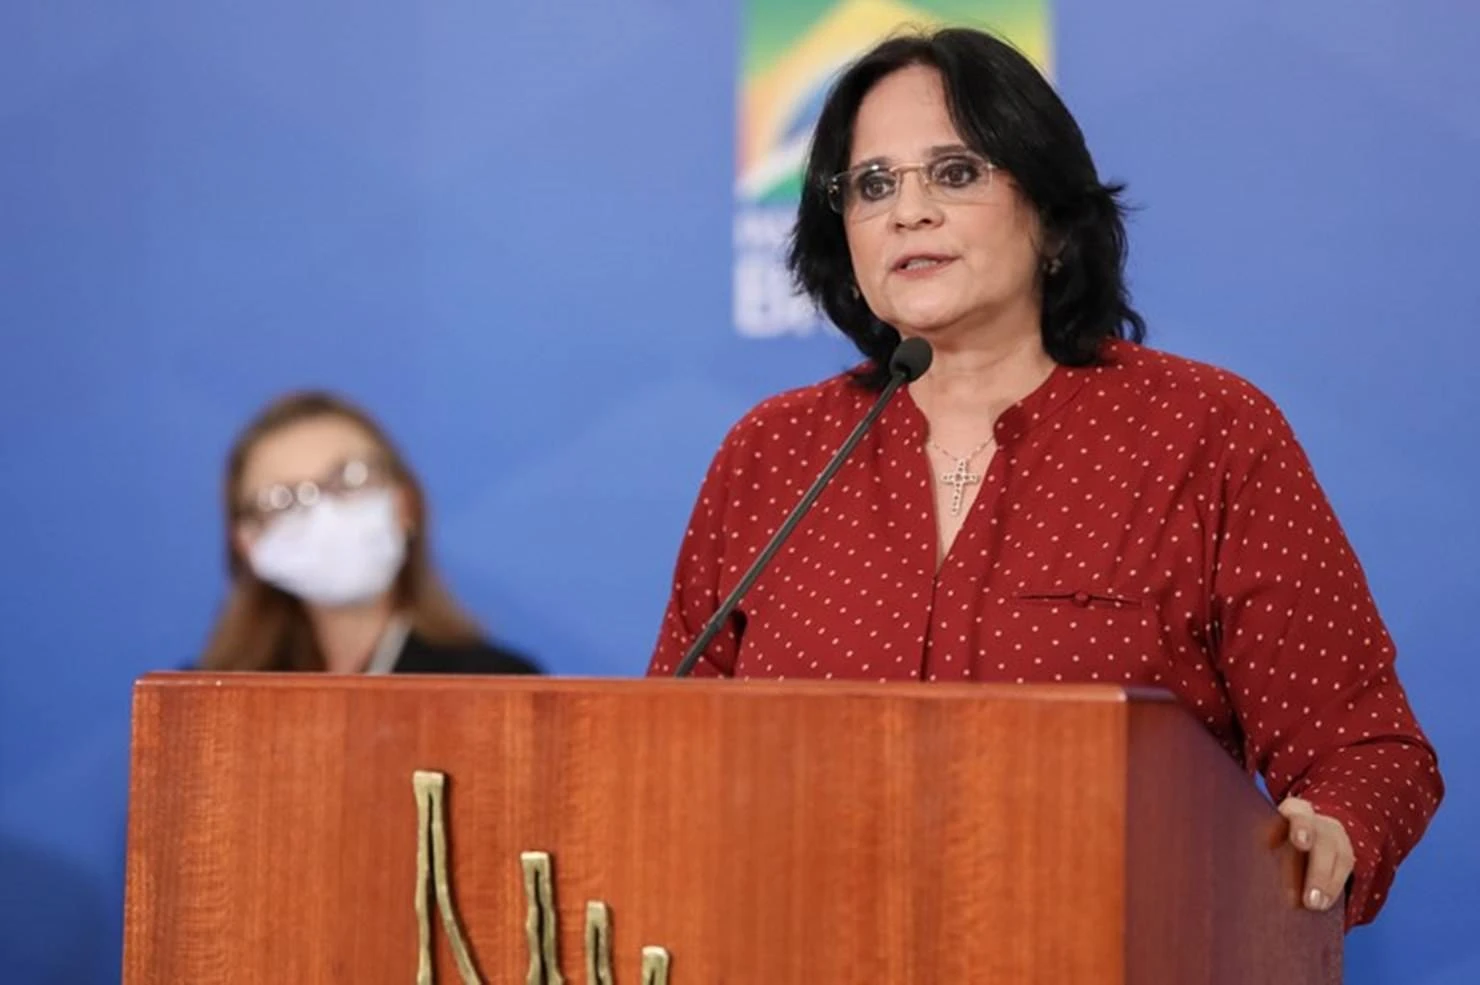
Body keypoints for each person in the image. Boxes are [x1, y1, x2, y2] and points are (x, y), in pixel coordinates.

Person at [647, 27, 1441, 929]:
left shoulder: (1206, 435)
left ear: (1054, 219)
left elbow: (1367, 750)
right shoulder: (772, 453)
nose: (908, 211)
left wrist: (1329, 828)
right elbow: (665, 754)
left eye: (954, 172)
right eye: (872, 184)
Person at [199, 390, 540, 676]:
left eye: (350, 478)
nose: (324, 514)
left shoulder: (498, 686)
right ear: (247, 542)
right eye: (283, 500)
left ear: (405, 504)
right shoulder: (205, 700)